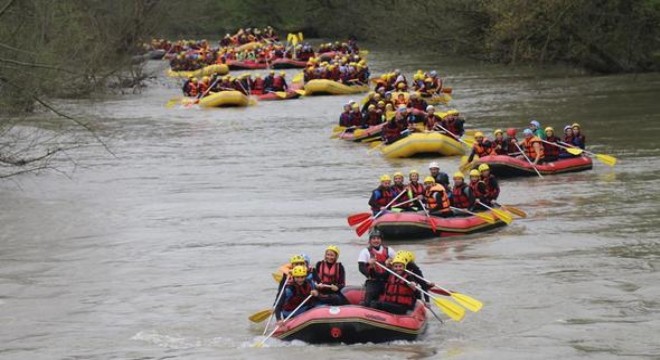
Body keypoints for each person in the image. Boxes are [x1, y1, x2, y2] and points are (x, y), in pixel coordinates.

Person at [358, 229, 397, 306]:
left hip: (387, 281)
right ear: (370, 241)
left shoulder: (389, 250)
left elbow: (399, 265)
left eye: (378, 238)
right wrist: (369, 265)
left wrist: (391, 262)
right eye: (374, 238)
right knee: (368, 301)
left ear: (381, 240)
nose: (376, 241)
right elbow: (361, 268)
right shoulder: (365, 252)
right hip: (374, 281)